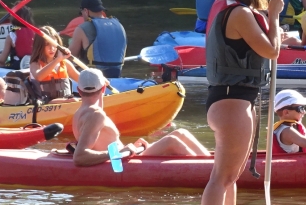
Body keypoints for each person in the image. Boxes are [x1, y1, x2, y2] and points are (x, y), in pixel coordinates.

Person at [200, 0, 283, 205]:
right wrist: (274, 16)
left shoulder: (229, 8)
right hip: (232, 101)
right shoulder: (241, 14)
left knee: (229, 177)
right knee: (221, 177)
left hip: (232, 99)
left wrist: (269, 22)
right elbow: (271, 50)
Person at [72, 68, 210, 167]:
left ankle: (210, 164)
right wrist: (119, 153)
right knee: (171, 141)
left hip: (125, 155)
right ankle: (206, 171)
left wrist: (124, 150)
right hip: (121, 162)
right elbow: (80, 157)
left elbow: (96, 121)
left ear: (79, 90)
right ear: (103, 89)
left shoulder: (82, 112)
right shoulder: (96, 115)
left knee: (181, 133)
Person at [69, 0, 126, 77]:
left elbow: (70, 56)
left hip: (92, 78)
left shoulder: (82, 28)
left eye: (82, 14)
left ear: (85, 11)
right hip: (116, 74)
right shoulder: (119, 25)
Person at [29, 26, 81, 101]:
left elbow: (81, 79)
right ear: (39, 46)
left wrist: (97, 79)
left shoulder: (64, 63)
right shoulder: (35, 64)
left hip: (65, 102)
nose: (52, 48)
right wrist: (57, 60)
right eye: (47, 44)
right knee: (74, 100)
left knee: (80, 100)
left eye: (54, 44)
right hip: (44, 105)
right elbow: (38, 76)